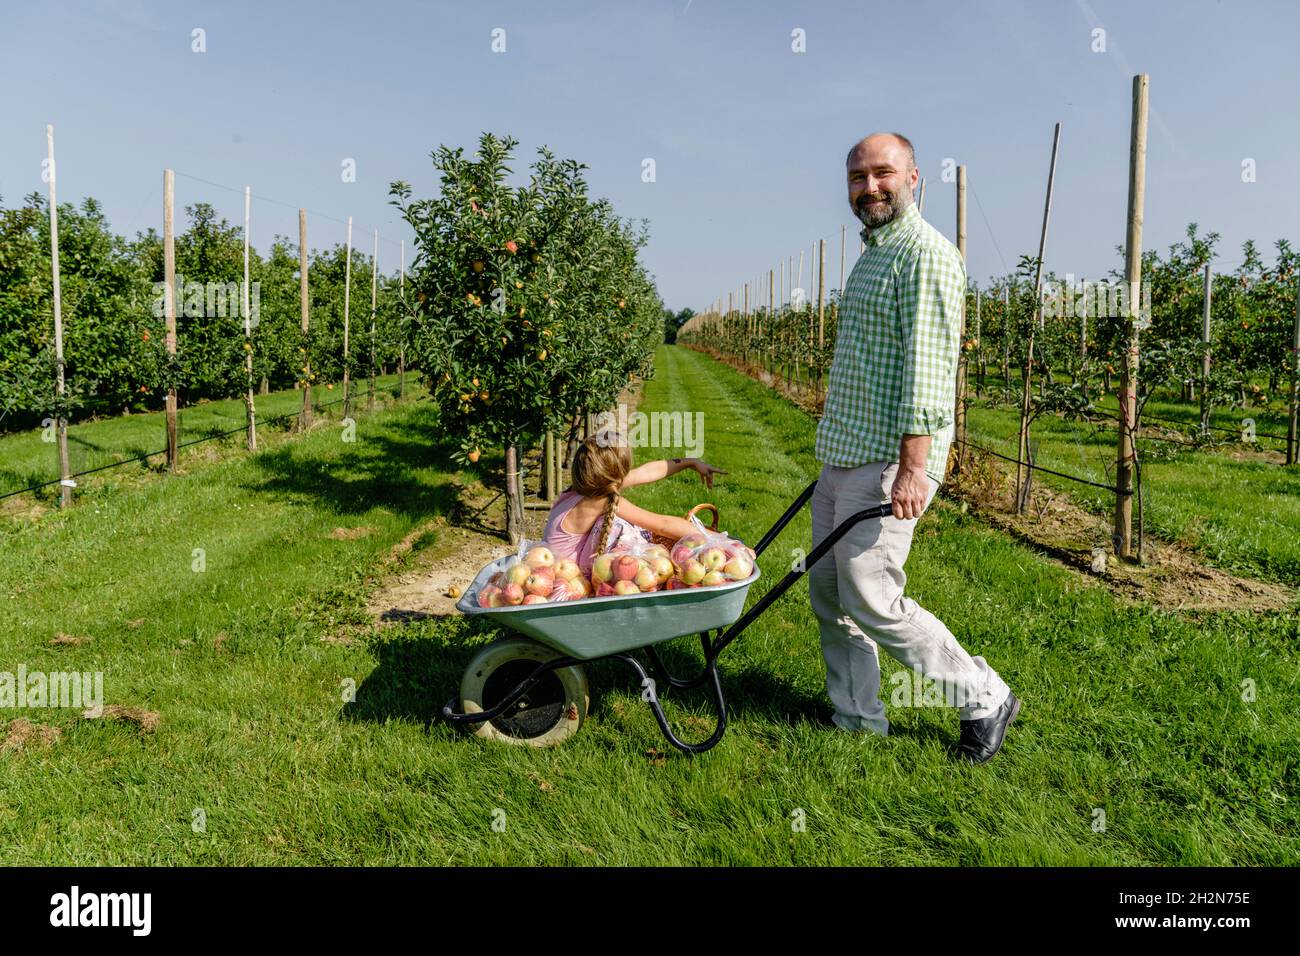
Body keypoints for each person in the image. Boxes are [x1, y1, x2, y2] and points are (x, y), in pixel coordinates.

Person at [809, 131, 1019, 764]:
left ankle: (982, 693)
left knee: (871, 595)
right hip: (846, 451)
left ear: (914, 177)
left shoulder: (924, 254)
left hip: (890, 459)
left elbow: (928, 372)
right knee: (828, 591)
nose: (869, 187)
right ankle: (856, 719)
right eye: (857, 177)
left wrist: (914, 467)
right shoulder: (875, 251)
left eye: (883, 173)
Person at [542, 430, 727, 575]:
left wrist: (691, 462)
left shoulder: (585, 486)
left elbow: (646, 472)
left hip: (551, 569)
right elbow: (663, 525)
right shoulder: (598, 501)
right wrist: (716, 542)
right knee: (621, 526)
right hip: (566, 579)